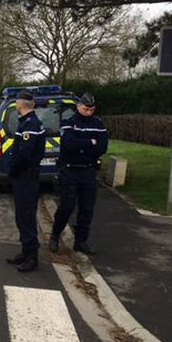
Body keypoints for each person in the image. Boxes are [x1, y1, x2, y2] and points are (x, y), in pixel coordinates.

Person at [49, 93, 108, 255]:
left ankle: (81, 241)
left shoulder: (98, 124)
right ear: (78, 106)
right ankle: (54, 235)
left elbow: (102, 146)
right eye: (86, 108)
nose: (89, 111)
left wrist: (82, 146)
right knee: (67, 206)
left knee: (87, 208)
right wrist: (89, 142)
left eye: (92, 109)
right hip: (70, 170)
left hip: (88, 170)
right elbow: (68, 143)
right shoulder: (69, 123)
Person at [6, 90, 46, 272]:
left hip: (26, 177)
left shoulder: (29, 125)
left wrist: (12, 169)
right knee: (22, 216)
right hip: (24, 176)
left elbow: (24, 155)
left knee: (26, 217)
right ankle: (25, 251)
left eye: (16, 103)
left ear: (19, 105)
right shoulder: (29, 123)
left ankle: (32, 257)